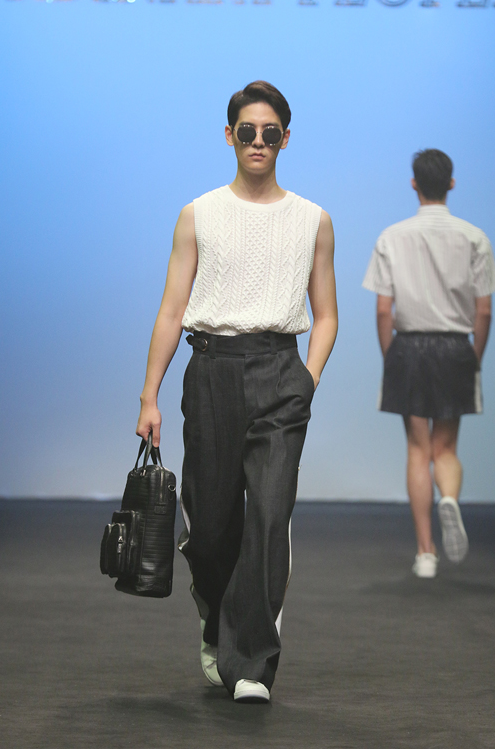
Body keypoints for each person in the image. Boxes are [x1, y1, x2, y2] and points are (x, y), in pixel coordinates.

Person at [136, 82, 337, 703]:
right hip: (211, 371)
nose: (257, 141)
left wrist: (307, 379)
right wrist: (149, 396)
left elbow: (326, 313)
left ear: (285, 138)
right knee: (211, 527)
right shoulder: (198, 214)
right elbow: (172, 311)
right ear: (229, 136)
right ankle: (216, 622)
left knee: (270, 516)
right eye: (247, 131)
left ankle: (250, 662)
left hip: (280, 373)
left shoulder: (313, 220)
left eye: (269, 132)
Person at [363, 149, 494, 579]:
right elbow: (484, 311)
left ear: (414, 184)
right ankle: (449, 498)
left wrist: (391, 357)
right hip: (456, 347)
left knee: (418, 450)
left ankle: (425, 553)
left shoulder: (392, 237)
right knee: (446, 448)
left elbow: (384, 310)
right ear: (451, 184)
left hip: (409, 346)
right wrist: (474, 358)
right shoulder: (475, 237)